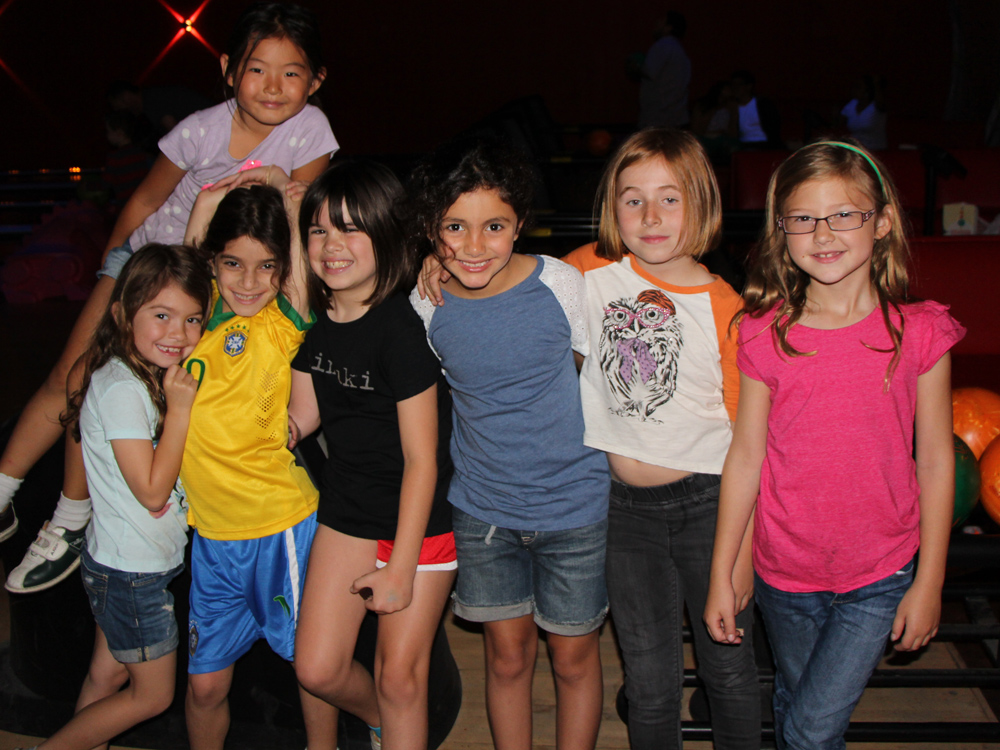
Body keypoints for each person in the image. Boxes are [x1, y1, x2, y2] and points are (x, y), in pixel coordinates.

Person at [2, 1, 337, 594]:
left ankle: (82, 515)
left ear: (316, 81)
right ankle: (28, 498)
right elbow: (142, 202)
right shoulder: (200, 129)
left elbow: (303, 205)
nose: (274, 87)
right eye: (258, 69)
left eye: (293, 73)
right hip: (150, 256)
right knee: (76, 374)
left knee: (151, 387)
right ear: (231, 69)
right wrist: (114, 268)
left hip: (214, 272)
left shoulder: (311, 128)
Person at [704, 140, 962, 749]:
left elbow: (936, 460)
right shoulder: (765, 334)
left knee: (811, 729)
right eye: (803, 218)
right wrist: (722, 570)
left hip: (880, 570)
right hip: (784, 573)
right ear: (781, 230)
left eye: (844, 214)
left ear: (883, 222)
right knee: (800, 703)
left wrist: (930, 582)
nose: (823, 232)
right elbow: (745, 458)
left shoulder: (920, 333)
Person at [561, 129, 760, 750]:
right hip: (623, 512)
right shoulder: (587, 271)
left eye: (669, 200)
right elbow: (497, 272)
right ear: (611, 207)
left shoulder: (729, 310)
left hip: (711, 507)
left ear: (701, 204)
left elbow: (750, 446)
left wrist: (744, 554)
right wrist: (437, 264)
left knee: (727, 669)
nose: (650, 217)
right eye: (633, 199)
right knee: (648, 682)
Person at [411, 134, 610, 750]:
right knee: (506, 659)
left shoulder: (561, 284)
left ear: (519, 222)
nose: (474, 246)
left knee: (575, 660)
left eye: (493, 225)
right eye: (455, 228)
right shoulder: (425, 302)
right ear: (431, 230)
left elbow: (589, 373)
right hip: (484, 512)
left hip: (575, 508)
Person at [288, 161, 456, 750]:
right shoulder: (320, 323)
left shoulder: (400, 331)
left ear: (385, 236)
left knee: (401, 679)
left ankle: (393, 715)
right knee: (316, 668)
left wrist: (402, 567)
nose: (332, 246)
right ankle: (378, 721)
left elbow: (423, 460)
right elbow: (301, 420)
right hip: (350, 507)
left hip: (419, 520)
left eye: (350, 230)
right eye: (318, 231)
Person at [20, 244, 212, 750]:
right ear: (123, 313)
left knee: (106, 679)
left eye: (193, 319)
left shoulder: (137, 372)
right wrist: (181, 411)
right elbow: (151, 491)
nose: (179, 333)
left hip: (124, 566)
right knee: (150, 696)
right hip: (132, 576)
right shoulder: (124, 388)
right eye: (163, 315)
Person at [180, 180, 335, 750]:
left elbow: (298, 266)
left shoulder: (281, 321)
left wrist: (291, 203)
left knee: (310, 668)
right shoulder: (197, 323)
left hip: (281, 529)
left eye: (265, 266)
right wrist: (204, 199)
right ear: (213, 263)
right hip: (213, 538)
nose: (250, 281)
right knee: (202, 688)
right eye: (233, 264)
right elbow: (187, 261)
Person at [638, 12, 691, 129]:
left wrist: (635, 67)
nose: (656, 25)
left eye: (660, 23)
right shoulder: (679, 50)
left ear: (668, 27)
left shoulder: (663, 45)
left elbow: (648, 71)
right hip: (676, 116)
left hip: (659, 118)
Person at [730, 70, 781, 150]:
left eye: (739, 84)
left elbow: (773, 127)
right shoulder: (731, 107)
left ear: (749, 86)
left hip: (765, 145)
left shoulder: (763, 104)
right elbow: (731, 135)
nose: (735, 88)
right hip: (742, 146)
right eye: (733, 84)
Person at [840, 76, 887, 151]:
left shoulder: (876, 106)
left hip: (876, 150)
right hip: (856, 150)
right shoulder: (851, 105)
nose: (853, 90)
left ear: (868, 91)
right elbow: (837, 123)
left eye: (858, 87)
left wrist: (877, 85)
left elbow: (881, 103)